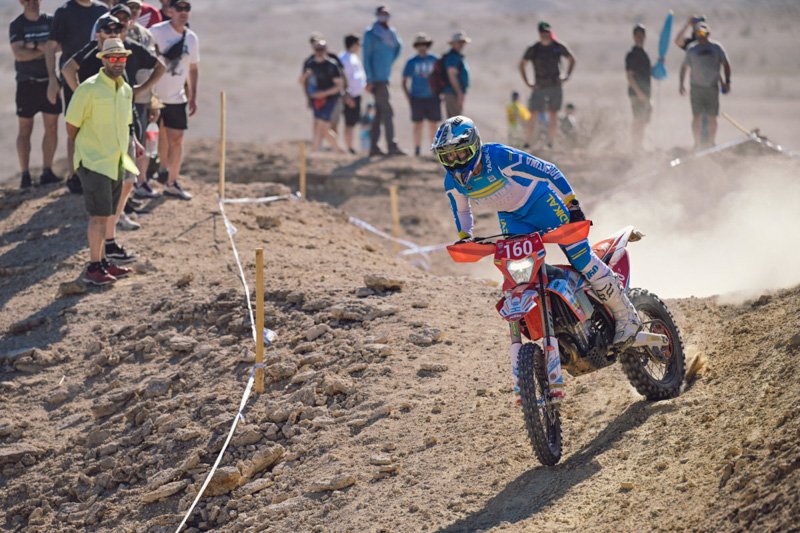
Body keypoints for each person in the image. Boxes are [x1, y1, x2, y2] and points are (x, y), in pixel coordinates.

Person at [433, 115, 641, 400]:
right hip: (512, 218)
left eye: (460, 152)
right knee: (521, 275)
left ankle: (625, 314)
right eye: (448, 156)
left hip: (541, 203)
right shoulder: (451, 181)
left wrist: (572, 204)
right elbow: (462, 210)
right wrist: (464, 236)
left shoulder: (499, 156)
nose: (455, 160)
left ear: (475, 145)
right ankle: (561, 319)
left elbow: (548, 170)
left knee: (580, 257)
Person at [62, 11, 165, 230]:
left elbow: (160, 66)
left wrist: (143, 91)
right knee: (111, 178)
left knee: (128, 181)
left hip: (126, 119)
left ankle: (115, 219)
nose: (113, 33)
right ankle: (108, 225)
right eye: (108, 29)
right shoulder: (90, 51)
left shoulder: (128, 48)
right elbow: (67, 69)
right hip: (99, 126)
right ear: (98, 32)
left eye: (117, 28)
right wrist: (79, 92)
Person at [66, 38, 142, 285]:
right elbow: (71, 127)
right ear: (103, 59)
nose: (118, 62)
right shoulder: (87, 89)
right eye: (113, 57)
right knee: (98, 217)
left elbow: (126, 125)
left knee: (109, 214)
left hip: (116, 162)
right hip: (94, 162)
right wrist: (87, 153)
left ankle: (103, 262)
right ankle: (93, 268)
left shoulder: (126, 90)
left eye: (121, 57)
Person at [46, 0, 108, 193]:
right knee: (75, 126)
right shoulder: (64, 12)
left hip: (101, 79)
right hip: (73, 77)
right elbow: (51, 47)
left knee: (100, 126)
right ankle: (75, 175)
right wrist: (52, 79)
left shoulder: (102, 10)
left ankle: (97, 172)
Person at [10, 0, 62, 189]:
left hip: (49, 82)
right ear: (22, 2)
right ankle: (25, 174)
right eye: (28, 0)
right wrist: (43, 48)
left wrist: (31, 45)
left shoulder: (51, 21)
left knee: (52, 127)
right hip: (27, 83)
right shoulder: (17, 24)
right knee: (25, 129)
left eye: (35, 0)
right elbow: (19, 54)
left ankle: (47, 171)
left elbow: (60, 46)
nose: (32, 3)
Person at [150, 0, 199, 200]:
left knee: (176, 139)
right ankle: (142, 181)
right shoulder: (156, 31)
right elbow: (145, 59)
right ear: (170, 11)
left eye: (187, 8)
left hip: (177, 97)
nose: (183, 12)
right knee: (149, 138)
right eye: (179, 8)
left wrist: (193, 95)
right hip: (153, 95)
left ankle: (172, 181)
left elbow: (193, 68)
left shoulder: (192, 38)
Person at [519, 21, 575, 149]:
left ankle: (550, 143)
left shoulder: (557, 46)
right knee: (533, 114)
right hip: (539, 86)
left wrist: (567, 76)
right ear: (539, 33)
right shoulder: (534, 49)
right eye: (543, 32)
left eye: (547, 32)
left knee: (553, 114)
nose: (545, 35)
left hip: (555, 85)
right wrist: (527, 82)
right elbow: (522, 64)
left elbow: (572, 59)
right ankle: (527, 142)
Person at [679, 22, 731, 149]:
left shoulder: (716, 48)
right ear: (696, 34)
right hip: (696, 88)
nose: (702, 36)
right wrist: (681, 84)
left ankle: (711, 142)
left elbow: (725, 64)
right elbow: (684, 67)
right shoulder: (692, 49)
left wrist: (727, 82)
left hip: (712, 88)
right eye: (699, 33)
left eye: (704, 33)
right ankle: (697, 142)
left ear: (708, 33)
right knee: (697, 116)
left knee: (712, 116)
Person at [362, 5, 404, 156]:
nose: (384, 17)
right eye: (381, 14)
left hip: (385, 77)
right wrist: (369, 79)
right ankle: (392, 146)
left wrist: (388, 62)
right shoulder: (371, 34)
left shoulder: (391, 33)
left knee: (379, 113)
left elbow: (399, 47)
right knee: (387, 112)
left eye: (386, 14)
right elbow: (366, 58)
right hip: (376, 80)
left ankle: (374, 147)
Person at [299, 40, 344, 153]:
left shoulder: (332, 66)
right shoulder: (310, 64)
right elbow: (302, 81)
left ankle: (316, 149)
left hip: (329, 99)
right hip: (316, 99)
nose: (319, 52)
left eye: (322, 49)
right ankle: (337, 148)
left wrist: (324, 93)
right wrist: (305, 76)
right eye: (317, 49)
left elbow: (338, 86)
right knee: (322, 127)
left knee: (321, 125)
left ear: (326, 50)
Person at [402, 32, 441, 156]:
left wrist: (440, 93)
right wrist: (409, 97)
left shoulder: (435, 60)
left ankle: (434, 148)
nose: (422, 46)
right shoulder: (411, 62)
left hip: (433, 97)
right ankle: (417, 149)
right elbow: (404, 81)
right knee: (418, 124)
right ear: (416, 46)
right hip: (417, 97)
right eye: (419, 44)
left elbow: (442, 78)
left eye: (424, 44)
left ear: (427, 45)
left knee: (433, 124)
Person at [339, 34, 367, 154]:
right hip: (349, 96)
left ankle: (354, 146)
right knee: (349, 123)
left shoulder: (354, 57)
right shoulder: (343, 59)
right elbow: (342, 79)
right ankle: (349, 147)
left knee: (355, 122)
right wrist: (347, 96)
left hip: (357, 94)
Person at [625, 23, 652, 151]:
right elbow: (629, 76)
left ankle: (639, 144)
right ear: (634, 36)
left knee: (644, 119)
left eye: (642, 35)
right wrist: (639, 92)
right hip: (637, 93)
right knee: (638, 119)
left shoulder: (644, 54)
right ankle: (635, 145)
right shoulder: (632, 55)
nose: (640, 37)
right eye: (638, 35)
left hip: (645, 92)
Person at [441, 32, 470, 118]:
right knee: (456, 121)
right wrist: (459, 92)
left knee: (454, 121)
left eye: (462, 42)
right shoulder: (452, 57)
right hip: (452, 93)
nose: (461, 44)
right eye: (458, 42)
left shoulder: (457, 56)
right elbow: (452, 75)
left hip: (453, 93)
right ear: (453, 43)